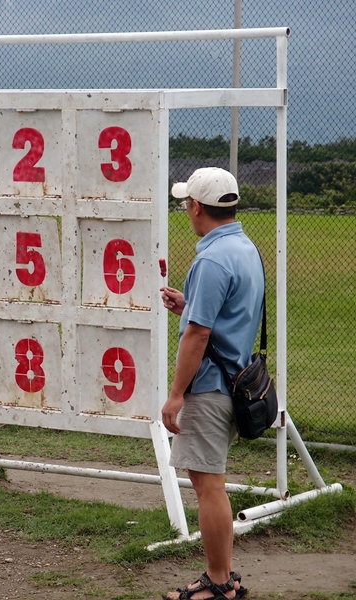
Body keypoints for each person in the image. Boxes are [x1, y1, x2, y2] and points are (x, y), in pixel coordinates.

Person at [160, 167, 262, 600]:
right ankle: (223, 577)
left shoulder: (211, 258)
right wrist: (187, 306)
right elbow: (225, 316)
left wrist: (176, 394)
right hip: (236, 377)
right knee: (212, 483)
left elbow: (198, 335)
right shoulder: (245, 247)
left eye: (186, 202)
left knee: (208, 486)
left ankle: (219, 583)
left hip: (210, 385)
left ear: (196, 207)